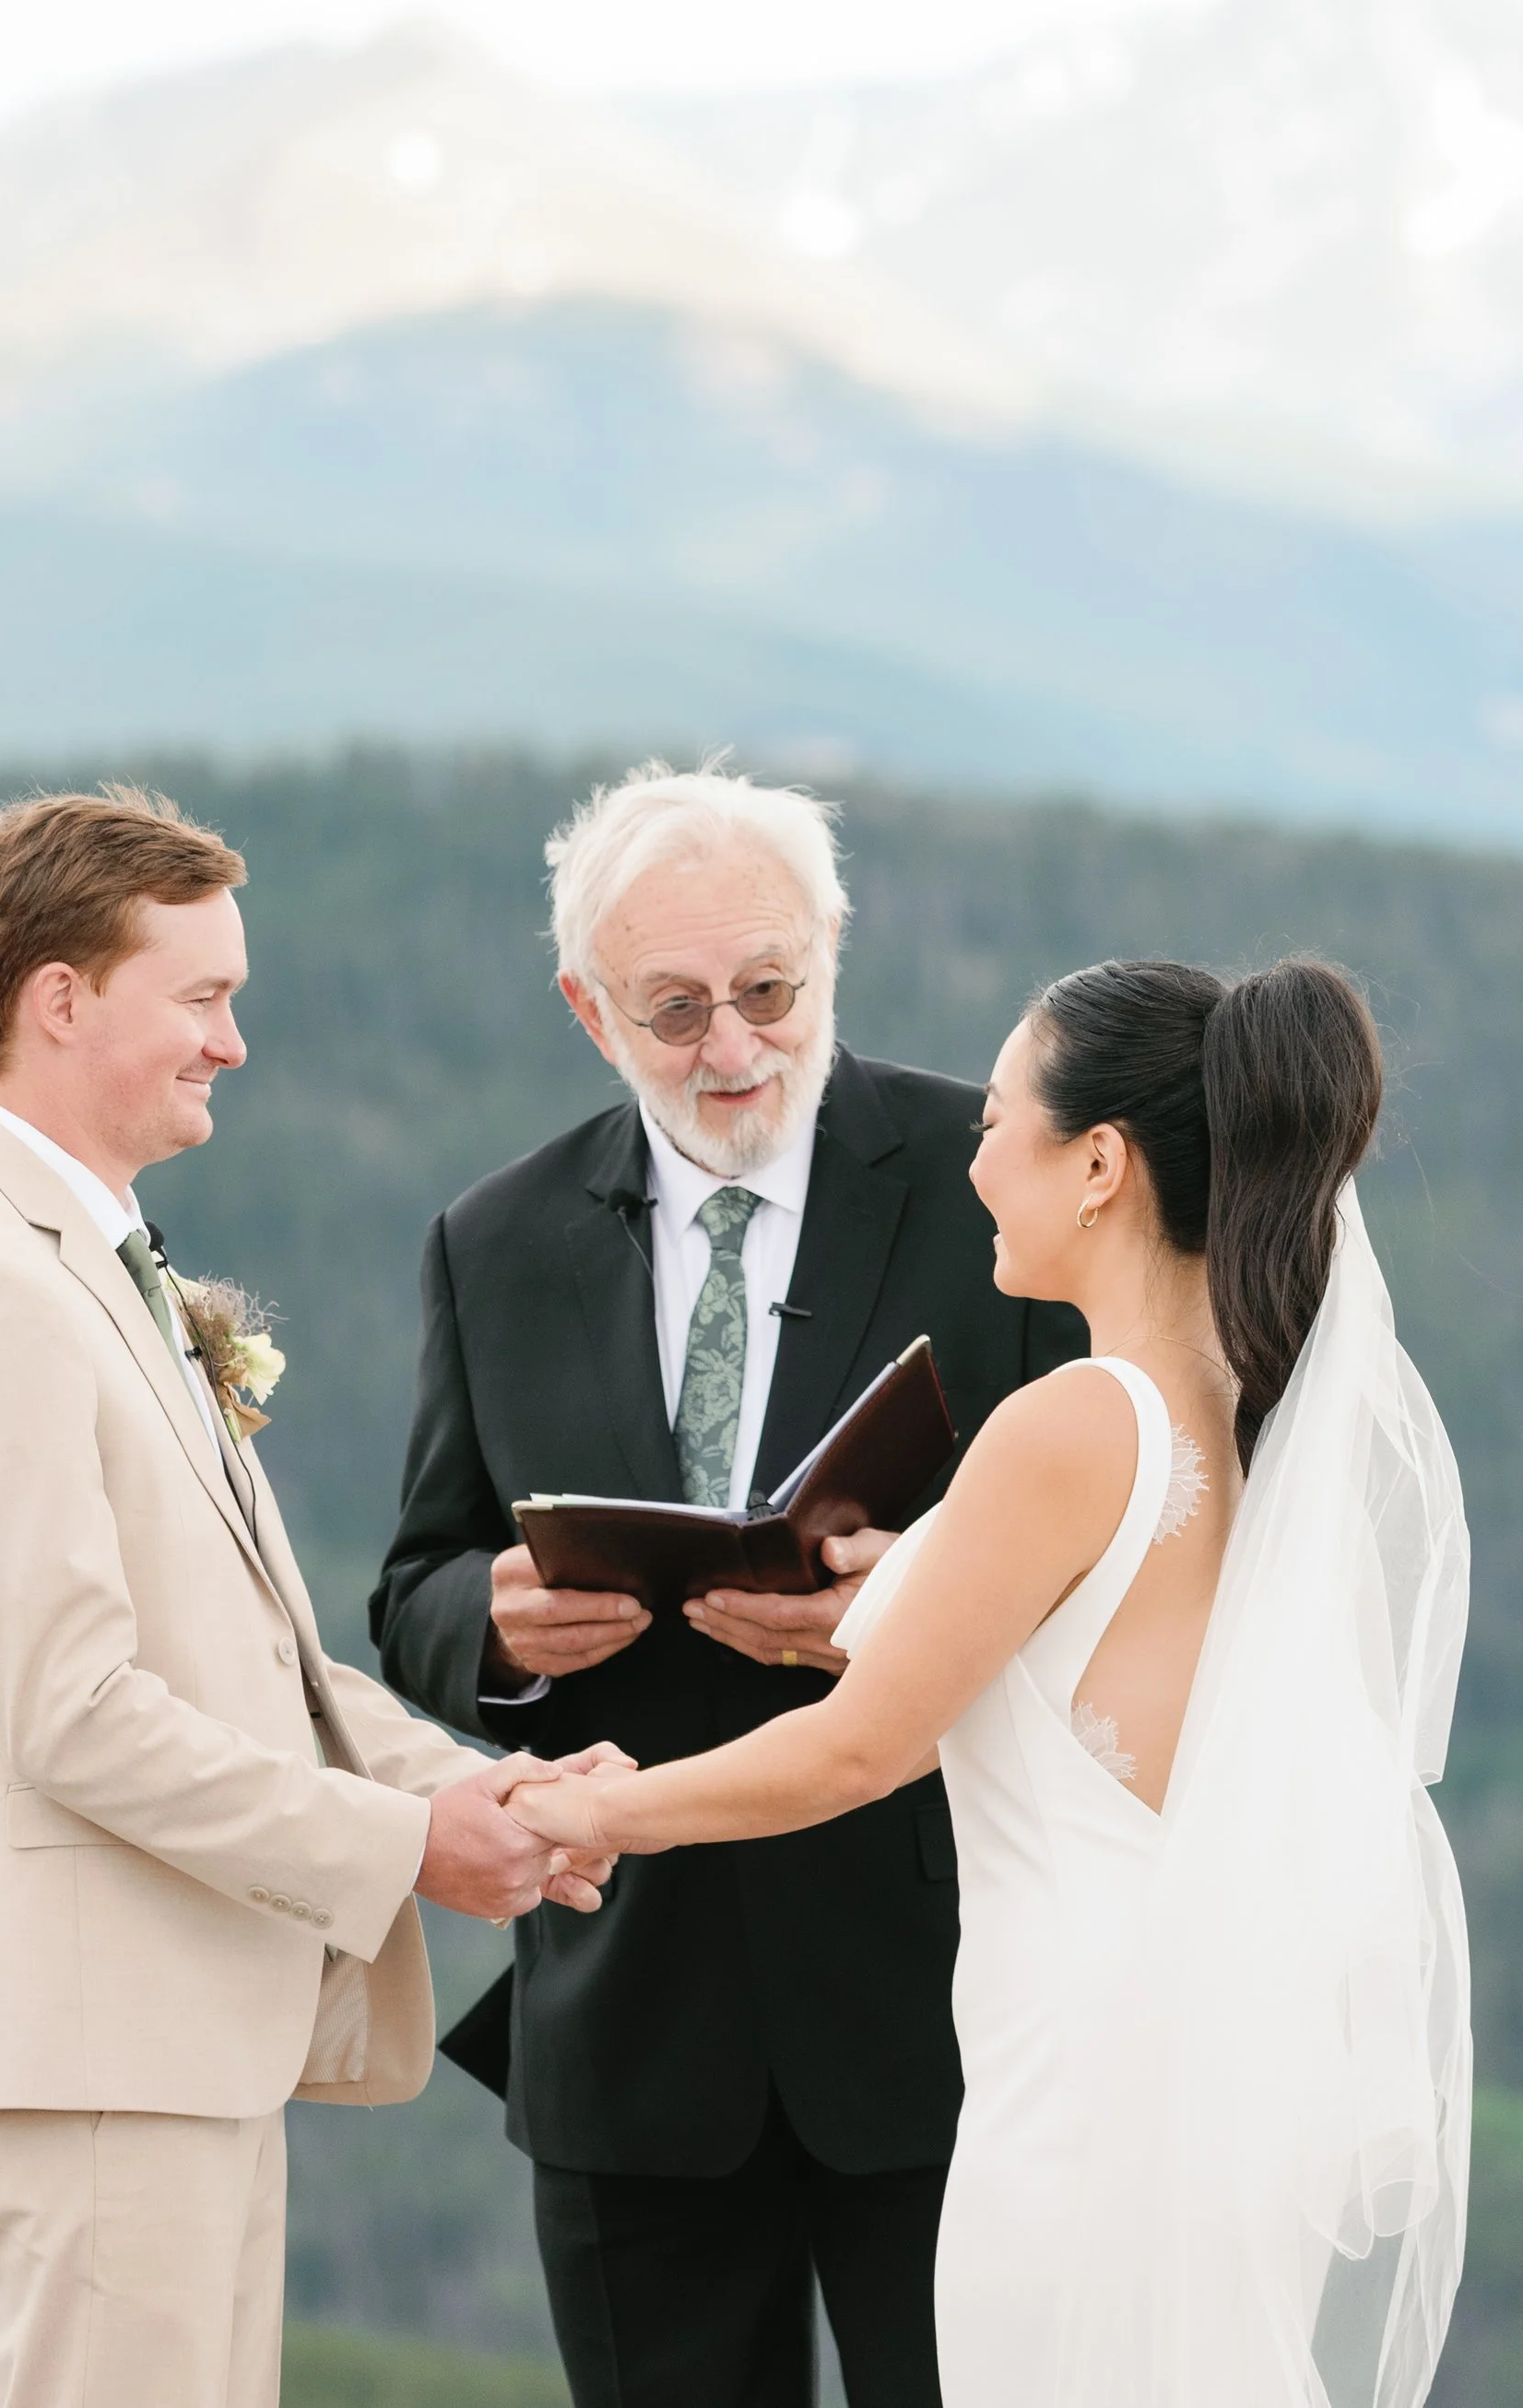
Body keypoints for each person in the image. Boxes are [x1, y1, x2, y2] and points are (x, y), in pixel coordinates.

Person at [505, 955, 1474, 2408]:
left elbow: (857, 1754)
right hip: (1182, 2041)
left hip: (1080, 2064)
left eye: (999, 1119)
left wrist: (600, 1812)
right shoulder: (1240, 1405)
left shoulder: (1074, 1422)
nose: (972, 1157)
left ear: (1098, 1164)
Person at [0, 787, 620, 2408]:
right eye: (201, 996)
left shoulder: (84, 1260)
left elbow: (257, 1663)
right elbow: (78, 1718)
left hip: (172, 2054)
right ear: (60, 999)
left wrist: (475, 1787)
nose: (235, 1041)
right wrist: (410, 1849)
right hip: (94, 2065)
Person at [370, 763, 1085, 2408]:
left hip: (950, 2002)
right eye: (675, 1008)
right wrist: (495, 1622)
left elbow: (1132, 1542)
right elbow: (411, 1577)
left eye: (771, 991)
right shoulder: (494, 1240)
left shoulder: (1002, 1187)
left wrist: (920, 1599)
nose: (735, 1048)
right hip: (631, 2016)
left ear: (832, 951)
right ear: (586, 1006)